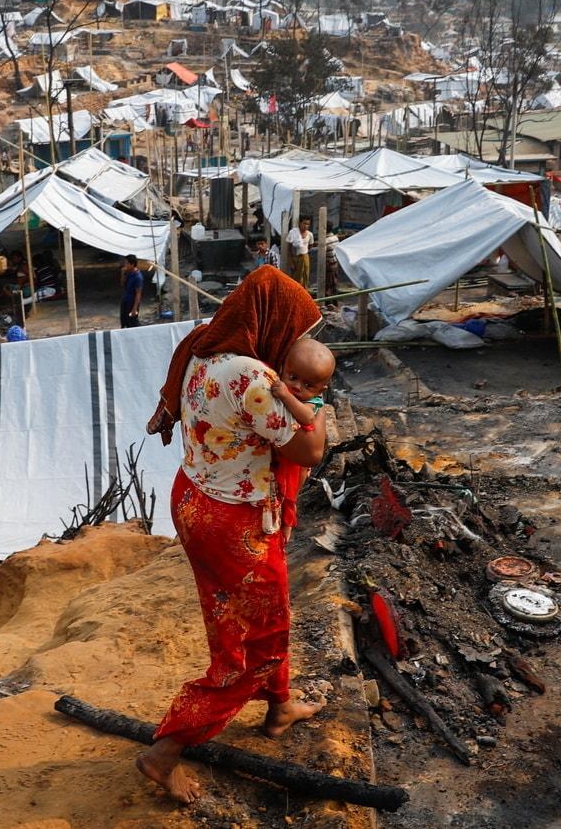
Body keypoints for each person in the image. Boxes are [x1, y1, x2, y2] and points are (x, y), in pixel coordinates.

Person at [138, 266, 330, 804]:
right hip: (235, 520)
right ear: (272, 321)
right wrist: (321, 409)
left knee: (247, 615)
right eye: (296, 332)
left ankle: (280, 705)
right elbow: (308, 450)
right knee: (252, 645)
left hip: (194, 498)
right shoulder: (252, 376)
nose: (296, 346)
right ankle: (165, 751)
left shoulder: (203, 347)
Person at [269, 338, 336, 531]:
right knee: (280, 492)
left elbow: (306, 417)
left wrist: (285, 395)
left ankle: (287, 527)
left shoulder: (314, 401)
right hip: (285, 452)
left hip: (296, 463)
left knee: (290, 494)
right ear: (282, 369)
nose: (298, 387)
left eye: (308, 385)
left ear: (321, 390)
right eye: (293, 377)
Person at [286, 216, 314, 290]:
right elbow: (289, 248)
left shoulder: (310, 234)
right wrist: (291, 260)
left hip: (305, 257)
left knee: (305, 276)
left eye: (308, 224)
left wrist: (305, 252)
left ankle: (304, 292)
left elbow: (311, 245)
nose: (306, 226)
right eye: (304, 223)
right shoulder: (293, 232)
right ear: (300, 223)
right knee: (296, 277)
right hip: (296, 258)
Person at [119, 254, 144, 328]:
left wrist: (134, 308)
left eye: (127, 263)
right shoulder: (128, 273)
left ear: (132, 264)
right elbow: (122, 285)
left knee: (132, 323)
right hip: (125, 300)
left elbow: (138, 293)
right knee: (124, 321)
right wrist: (122, 274)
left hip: (132, 303)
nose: (125, 265)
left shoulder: (138, 277)